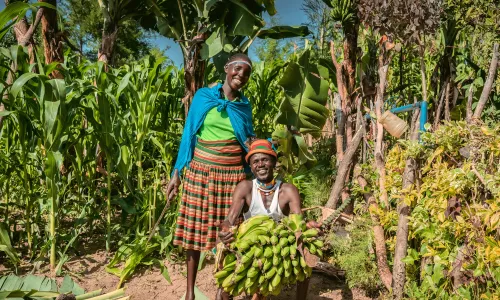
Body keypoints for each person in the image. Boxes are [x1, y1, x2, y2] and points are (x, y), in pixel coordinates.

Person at [166, 53, 254, 300]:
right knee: (193, 235)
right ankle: (189, 292)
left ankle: (223, 291)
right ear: (226, 68)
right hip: (200, 173)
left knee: (231, 234)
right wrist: (176, 173)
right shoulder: (203, 97)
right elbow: (189, 134)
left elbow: (248, 141)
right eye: (237, 69)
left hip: (232, 176)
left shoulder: (242, 106)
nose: (241, 76)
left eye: (246, 73)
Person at [216, 139, 321, 300]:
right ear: (250, 167)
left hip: (280, 244)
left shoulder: (287, 191)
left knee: (306, 254)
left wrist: (309, 227)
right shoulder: (245, 188)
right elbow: (230, 219)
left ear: (274, 162)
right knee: (225, 280)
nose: (260, 164)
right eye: (255, 161)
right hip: (251, 245)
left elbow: (298, 220)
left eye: (265, 159)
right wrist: (224, 230)